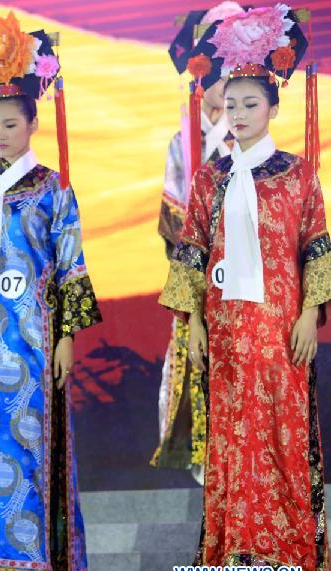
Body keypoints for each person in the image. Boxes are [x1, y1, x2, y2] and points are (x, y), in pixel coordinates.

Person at [159, 6, 330, 571]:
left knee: (284, 440)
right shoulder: (211, 176)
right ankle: (236, 558)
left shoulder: (299, 174)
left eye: (250, 104)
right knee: (232, 444)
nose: (237, 114)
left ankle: (287, 561)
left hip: (283, 329)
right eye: (230, 105)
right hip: (228, 331)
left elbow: (315, 246)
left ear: (274, 107)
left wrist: (310, 312)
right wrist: (194, 327)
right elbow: (190, 253)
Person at [0, 13, 101, 571]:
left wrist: (65, 337)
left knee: (34, 452)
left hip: (34, 343)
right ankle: (4, 565)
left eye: (11, 124)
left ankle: (37, 570)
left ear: (33, 123)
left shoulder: (55, 189)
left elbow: (70, 266)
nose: (1, 134)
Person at [153, 1, 244, 485]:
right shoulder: (183, 141)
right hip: (201, 273)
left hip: (250, 273)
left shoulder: (252, 136)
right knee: (200, 358)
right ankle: (204, 455)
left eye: (233, 70)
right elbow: (173, 223)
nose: (225, 82)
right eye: (216, 68)